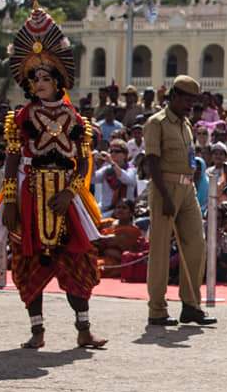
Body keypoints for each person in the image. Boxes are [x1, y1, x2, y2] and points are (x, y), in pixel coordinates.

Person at [0, 0, 107, 350]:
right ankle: (37, 332)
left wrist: (70, 192)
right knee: (28, 261)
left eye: (45, 77)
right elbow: (10, 159)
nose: (39, 82)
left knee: (78, 259)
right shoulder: (21, 118)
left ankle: (83, 329)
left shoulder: (75, 120)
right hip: (30, 193)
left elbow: (82, 162)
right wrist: (7, 201)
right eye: (33, 77)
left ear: (58, 80)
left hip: (64, 195)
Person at [143, 74, 217, 327]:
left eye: (193, 101)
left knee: (197, 245)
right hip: (165, 187)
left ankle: (191, 305)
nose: (190, 105)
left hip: (187, 189)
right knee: (161, 250)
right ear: (174, 96)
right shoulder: (157, 122)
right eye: (186, 99)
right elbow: (151, 161)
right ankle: (157, 309)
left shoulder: (186, 125)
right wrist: (164, 196)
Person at [97, 200, 146, 278]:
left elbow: (109, 242)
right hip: (102, 257)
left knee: (94, 269)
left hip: (117, 263)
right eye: (118, 207)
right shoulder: (108, 222)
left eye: (124, 208)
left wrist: (99, 240)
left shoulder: (133, 231)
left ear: (131, 213)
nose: (120, 210)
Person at [93, 139, 136, 217]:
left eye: (117, 151)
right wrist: (92, 162)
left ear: (125, 155)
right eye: (111, 151)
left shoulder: (131, 169)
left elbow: (127, 179)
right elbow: (93, 179)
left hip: (124, 212)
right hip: (105, 210)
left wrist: (112, 163)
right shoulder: (107, 169)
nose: (113, 154)